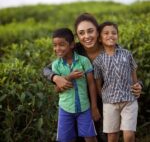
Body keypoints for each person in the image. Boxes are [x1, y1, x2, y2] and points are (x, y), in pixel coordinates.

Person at [43, 13, 142, 142]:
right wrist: (55, 77)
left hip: (109, 100)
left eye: (90, 31)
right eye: (81, 33)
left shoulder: (112, 49)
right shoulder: (75, 50)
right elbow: (46, 69)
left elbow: (129, 72)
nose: (87, 36)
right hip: (83, 101)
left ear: (98, 32)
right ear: (77, 37)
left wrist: (138, 84)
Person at [51, 27, 100, 142]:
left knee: (90, 137)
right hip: (65, 109)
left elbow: (91, 84)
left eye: (62, 44)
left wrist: (94, 107)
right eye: (55, 45)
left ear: (72, 45)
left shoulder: (83, 61)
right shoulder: (56, 65)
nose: (57, 48)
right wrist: (69, 77)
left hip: (84, 108)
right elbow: (56, 90)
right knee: (65, 139)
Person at [93, 21, 139, 142]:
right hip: (110, 102)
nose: (110, 35)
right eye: (106, 33)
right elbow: (98, 83)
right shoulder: (98, 60)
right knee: (112, 137)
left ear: (117, 35)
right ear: (100, 38)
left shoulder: (127, 54)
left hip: (129, 100)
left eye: (114, 33)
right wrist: (103, 97)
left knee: (129, 135)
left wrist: (137, 86)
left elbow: (133, 72)